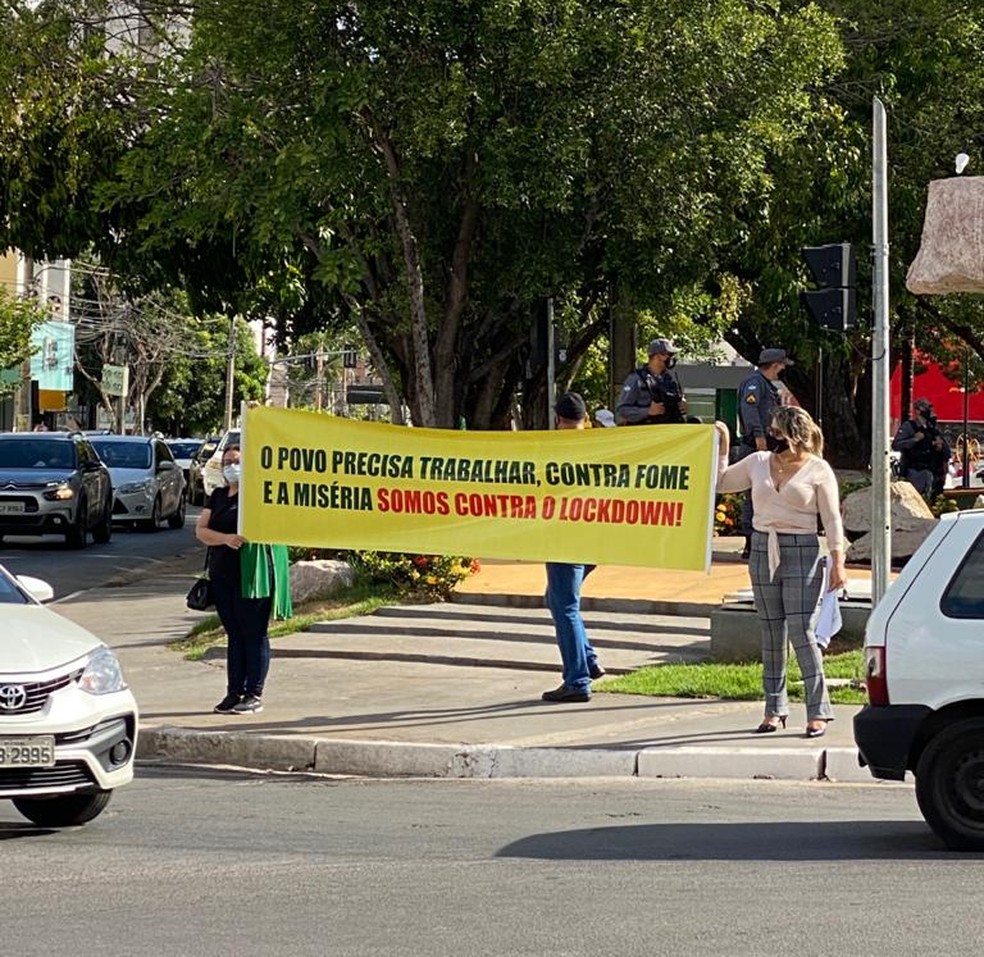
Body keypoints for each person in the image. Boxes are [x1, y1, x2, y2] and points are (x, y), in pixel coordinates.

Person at [714, 405, 846, 738]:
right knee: (772, 632)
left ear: (793, 435)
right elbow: (720, 483)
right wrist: (724, 445)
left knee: (802, 631)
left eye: (776, 431)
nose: (770, 436)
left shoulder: (818, 470)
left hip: (802, 550)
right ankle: (774, 708)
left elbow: (831, 520)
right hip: (762, 547)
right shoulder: (758, 463)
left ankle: (818, 711)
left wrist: (838, 561)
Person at [195, 444, 292, 715]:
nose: (231, 466)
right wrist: (225, 539)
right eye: (226, 462)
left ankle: (253, 693)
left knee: (254, 633)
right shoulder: (218, 495)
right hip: (222, 575)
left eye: (236, 461)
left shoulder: (258, 496)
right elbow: (201, 530)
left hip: (253, 575)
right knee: (234, 635)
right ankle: (233, 691)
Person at [542, 392, 605, 703]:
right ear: (586, 418)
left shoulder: (552, 448)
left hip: (564, 537)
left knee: (564, 605)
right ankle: (589, 661)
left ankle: (577, 679)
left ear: (558, 419)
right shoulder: (599, 446)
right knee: (556, 599)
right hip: (594, 537)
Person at [734, 348, 793, 558]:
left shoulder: (764, 384)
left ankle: (758, 538)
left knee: (763, 492)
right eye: (782, 364)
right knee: (754, 494)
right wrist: (759, 435)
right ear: (775, 364)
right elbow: (749, 410)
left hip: (766, 444)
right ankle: (750, 543)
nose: (784, 368)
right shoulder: (755, 383)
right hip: (755, 445)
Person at [616, 338, 687, 425]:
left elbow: (677, 397)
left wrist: (681, 402)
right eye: (669, 354)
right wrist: (647, 411)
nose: (671, 358)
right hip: (647, 433)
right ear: (657, 356)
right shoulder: (636, 379)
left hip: (670, 431)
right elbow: (622, 409)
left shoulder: (669, 379)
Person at [892, 398, 951, 500]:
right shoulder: (909, 426)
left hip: (932, 472)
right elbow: (896, 445)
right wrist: (914, 439)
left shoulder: (932, 428)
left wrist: (940, 446)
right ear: (918, 410)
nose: (929, 411)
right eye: (926, 408)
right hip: (915, 471)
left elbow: (945, 450)